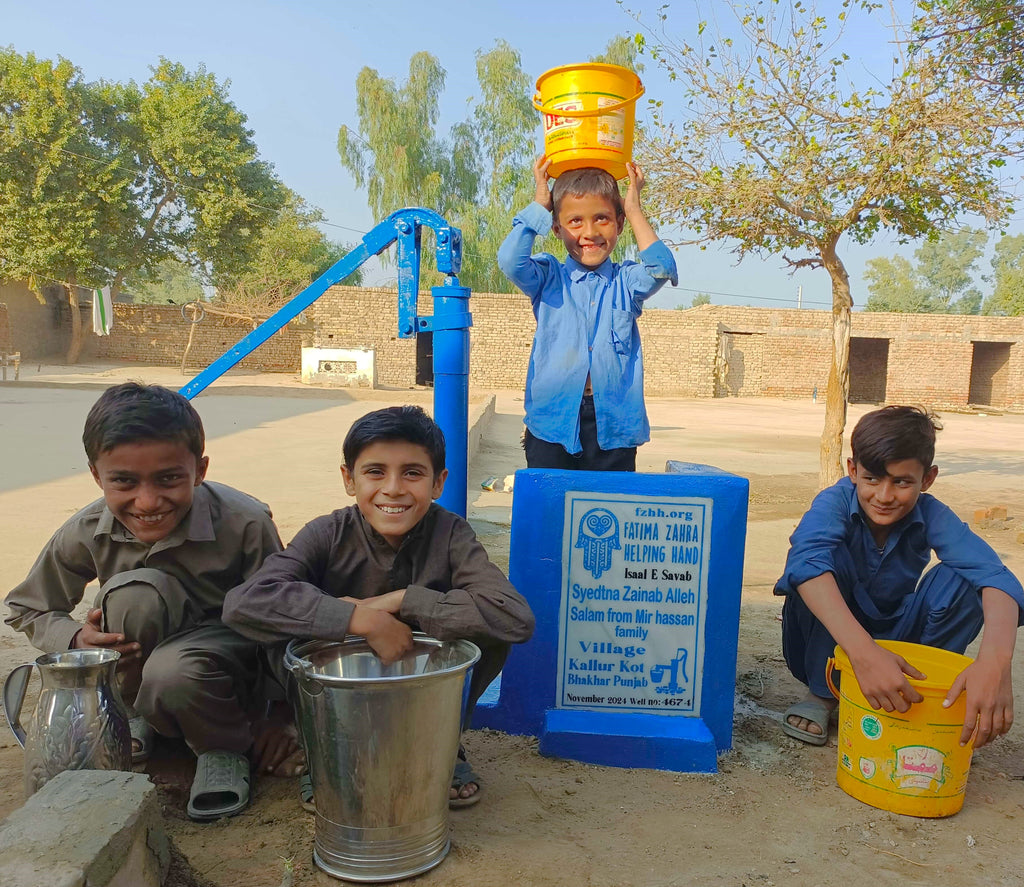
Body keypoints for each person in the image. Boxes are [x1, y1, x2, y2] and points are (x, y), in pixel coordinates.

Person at [222, 405, 535, 809]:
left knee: (488, 631)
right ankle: (323, 757)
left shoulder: (451, 534)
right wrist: (356, 619)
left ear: (438, 483)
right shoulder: (326, 533)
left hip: (419, 695)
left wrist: (405, 600)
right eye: (374, 472)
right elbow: (244, 603)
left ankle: (442, 747)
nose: (393, 489)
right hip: (336, 699)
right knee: (281, 628)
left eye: (412, 473)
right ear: (348, 480)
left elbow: (514, 616)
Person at [5, 382, 287, 821]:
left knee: (174, 670)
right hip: (140, 666)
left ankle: (222, 748)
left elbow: (281, 623)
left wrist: (280, 716)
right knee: (135, 594)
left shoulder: (245, 523)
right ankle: (135, 715)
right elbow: (28, 606)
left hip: (221, 670)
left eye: (169, 478)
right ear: (97, 477)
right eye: (124, 482)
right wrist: (77, 638)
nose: (148, 501)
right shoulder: (86, 528)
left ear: (200, 470)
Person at [775, 405, 1023, 748]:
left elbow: (996, 578)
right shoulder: (833, 503)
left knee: (966, 580)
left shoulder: (933, 514)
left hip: (901, 640)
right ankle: (824, 694)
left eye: (902, 482)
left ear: (928, 479)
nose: (884, 496)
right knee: (818, 567)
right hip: (829, 645)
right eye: (872, 479)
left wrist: (995, 663)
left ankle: (916, 693)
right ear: (852, 470)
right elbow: (805, 562)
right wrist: (864, 654)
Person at [497, 156, 678, 471]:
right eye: (575, 221)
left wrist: (633, 209)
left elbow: (662, 268)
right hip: (552, 423)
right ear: (556, 227)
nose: (590, 232)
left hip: (613, 427)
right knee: (550, 512)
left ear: (619, 223)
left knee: (608, 512)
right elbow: (511, 261)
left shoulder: (627, 281)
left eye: (603, 218)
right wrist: (540, 204)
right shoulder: (548, 277)